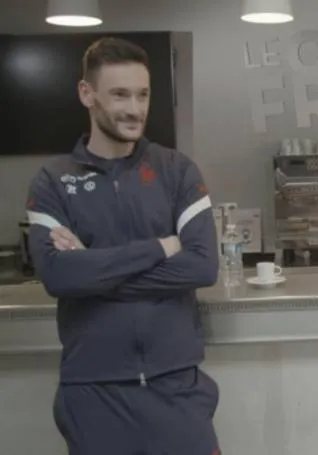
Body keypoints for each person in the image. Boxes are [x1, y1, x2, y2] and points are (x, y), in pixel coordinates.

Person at [25, 37, 221, 455]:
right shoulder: (53, 181)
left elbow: (202, 266)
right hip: (92, 390)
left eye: (142, 95)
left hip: (175, 384)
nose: (135, 109)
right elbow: (58, 276)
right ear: (87, 94)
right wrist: (159, 248)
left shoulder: (177, 171)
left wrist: (92, 272)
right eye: (119, 94)